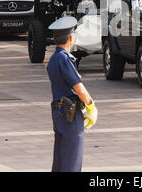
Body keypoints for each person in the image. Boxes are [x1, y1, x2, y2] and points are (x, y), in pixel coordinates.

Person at [47, 16, 98, 172]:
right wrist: (91, 106)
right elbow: (79, 88)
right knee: (72, 162)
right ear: (71, 37)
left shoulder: (54, 59)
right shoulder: (64, 59)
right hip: (70, 114)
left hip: (59, 112)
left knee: (61, 160)